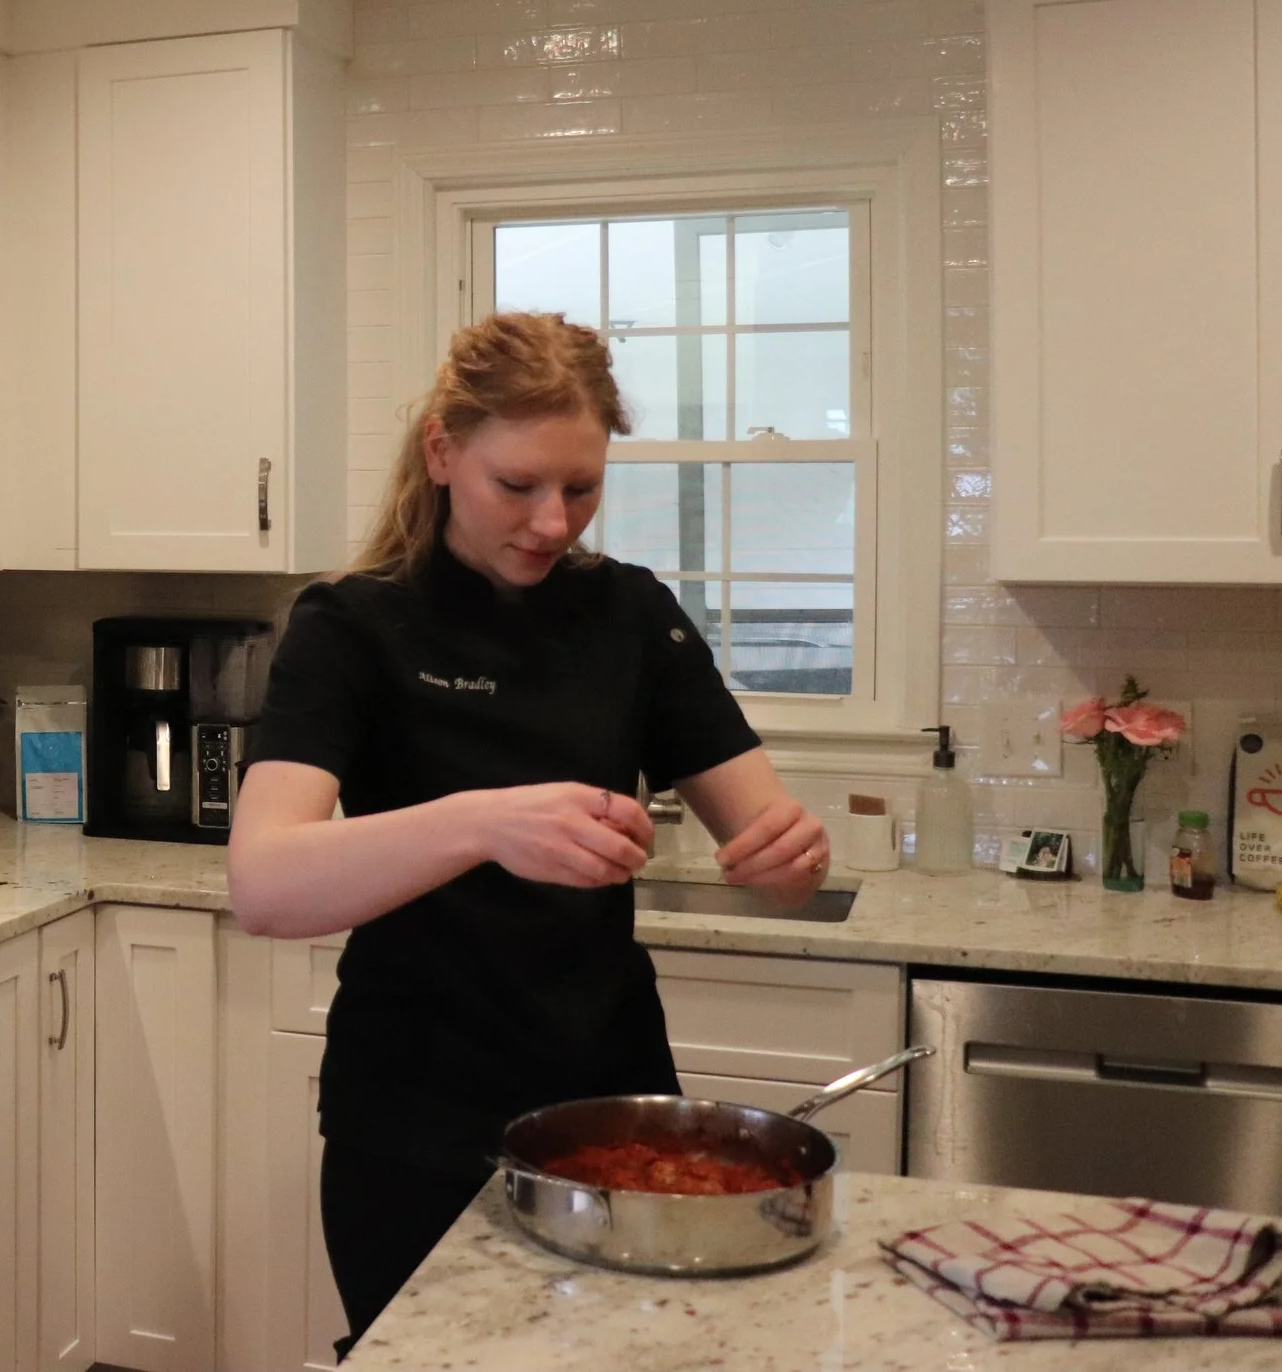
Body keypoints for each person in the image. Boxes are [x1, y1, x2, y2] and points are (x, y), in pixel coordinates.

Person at [228, 312, 831, 1358]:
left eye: (582, 486)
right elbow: (266, 884)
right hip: (410, 1117)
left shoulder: (633, 616)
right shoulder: (352, 626)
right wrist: (484, 821)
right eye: (518, 486)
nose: (554, 521)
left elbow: (774, 848)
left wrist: (792, 856)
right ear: (442, 453)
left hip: (611, 1110)